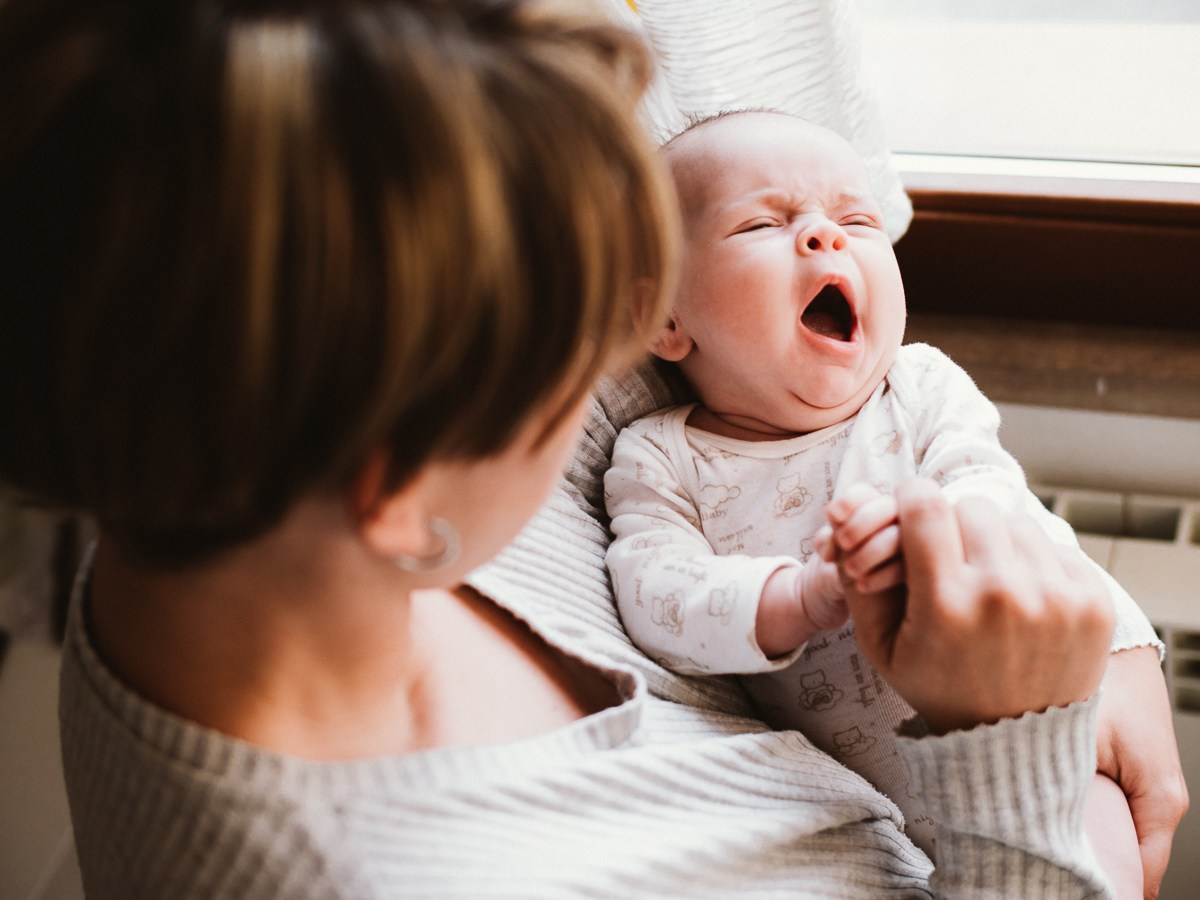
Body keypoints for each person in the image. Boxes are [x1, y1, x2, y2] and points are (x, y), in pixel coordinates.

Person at [0, 0, 1150, 896]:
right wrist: (1017, 750)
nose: (624, 349)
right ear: (395, 487)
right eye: (585, 327)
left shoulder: (201, 386)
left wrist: (1113, 650)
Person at [603, 110, 1178, 895]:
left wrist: (930, 535)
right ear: (663, 318)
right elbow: (653, 590)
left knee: (1103, 867)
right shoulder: (660, 454)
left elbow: (986, 485)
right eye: (764, 223)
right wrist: (795, 597)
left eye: (855, 218)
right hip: (879, 804)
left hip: (1040, 733)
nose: (823, 237)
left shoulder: (919, 386)